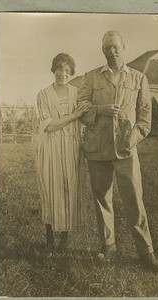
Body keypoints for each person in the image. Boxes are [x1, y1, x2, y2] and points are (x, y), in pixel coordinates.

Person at [77, 31, 158, 272]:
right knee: (102, 199)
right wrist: (101, 109)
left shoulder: (138, 78)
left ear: (124, 47)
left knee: (134, 199)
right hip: (97, 149)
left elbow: (145, 118)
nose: (111, 51)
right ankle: (109, 247)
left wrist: (134, 136)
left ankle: (146, 251)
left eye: (115, 47)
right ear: (102, 50)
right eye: (107, 48)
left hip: (126, 150)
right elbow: (80, 110)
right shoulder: (91, 77)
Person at [36, 53, 90, 253]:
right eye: (60, 68)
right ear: (53, 69)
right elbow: (49, 126)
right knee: (50, 191)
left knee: (69, 190)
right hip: (50, 147)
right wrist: (75, 114)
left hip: (72, 148)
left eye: (68, 70)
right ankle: (49, 237)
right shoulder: (43, 94)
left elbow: (86, 117)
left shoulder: (77, 93)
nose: (63, 73)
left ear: (72, 72)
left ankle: (65, 238)